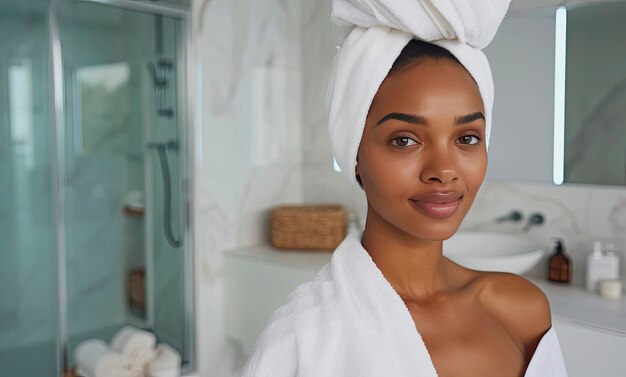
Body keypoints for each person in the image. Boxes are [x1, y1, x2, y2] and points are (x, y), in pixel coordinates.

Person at [242, 1, 568, 376]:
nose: (444, 171)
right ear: (355, 156)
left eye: (467, 137)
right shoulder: (303, 339)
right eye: (404, 141)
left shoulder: (522, 310)